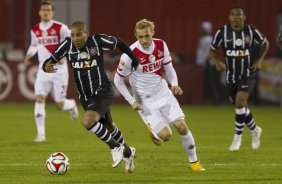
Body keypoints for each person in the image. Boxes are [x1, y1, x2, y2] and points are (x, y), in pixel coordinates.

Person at [42, 21, 138, 173]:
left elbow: (119, 42)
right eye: (72, 35)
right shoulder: (67, 45)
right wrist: (45, 66)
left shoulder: (97, 41)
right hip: (86, 97)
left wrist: (134, 59)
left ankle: (115, 148)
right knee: (108, 126)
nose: (75, 38)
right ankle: (128, 152)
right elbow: (49, 61)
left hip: (102, 91)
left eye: (79, 34)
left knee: (87, 122)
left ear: (86, 34)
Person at [114, 19, 205, 171]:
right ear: (136, 35)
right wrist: (131, 101)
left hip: (164, 94)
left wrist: (174, 84)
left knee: (181, 127)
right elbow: (118, 80)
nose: (144, 40)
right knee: (166, 135)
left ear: (153, 33)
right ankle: (151, 126)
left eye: (147, 36)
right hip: (146, 102)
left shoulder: (161, 45)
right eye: (141, 37)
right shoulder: (129, 54)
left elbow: (169, 68)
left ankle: (194, 162)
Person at [209, 6, 269, 151]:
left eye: (239, 14)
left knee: (241, 102)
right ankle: (255, 130)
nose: (236, 17)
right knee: (240, 106)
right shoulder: (222, 32)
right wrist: (217, 62)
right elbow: (211, 51)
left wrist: (260, 60)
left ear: (244, 17)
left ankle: (237, 138)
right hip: (231, 75)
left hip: (247, 72)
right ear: (229, 18)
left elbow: (265, 43)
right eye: (233, 15)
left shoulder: (251, 31)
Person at [24, 0, 78, 142]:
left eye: (49, 10)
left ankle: (71, 104)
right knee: (39, 98)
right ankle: (41, 134)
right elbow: (34, 45)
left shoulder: (61, 28)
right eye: (44, 10)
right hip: (43, 69)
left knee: (60, 105)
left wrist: (65, 56)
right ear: (39, 12)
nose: (46, 12)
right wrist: (28, 55)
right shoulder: (35, 30)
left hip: (59, 70)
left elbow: (72, 43)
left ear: (52, 12)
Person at [195, 21, 223, 105]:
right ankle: (211, 99)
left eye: (202, 28)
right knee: (208, 83)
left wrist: (201, 62)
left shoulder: (208, 39)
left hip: (209, 64)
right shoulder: (203, 39)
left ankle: (217, 100)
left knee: (212, 83)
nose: (200, 30)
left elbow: (207, 53)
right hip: (205, 64)